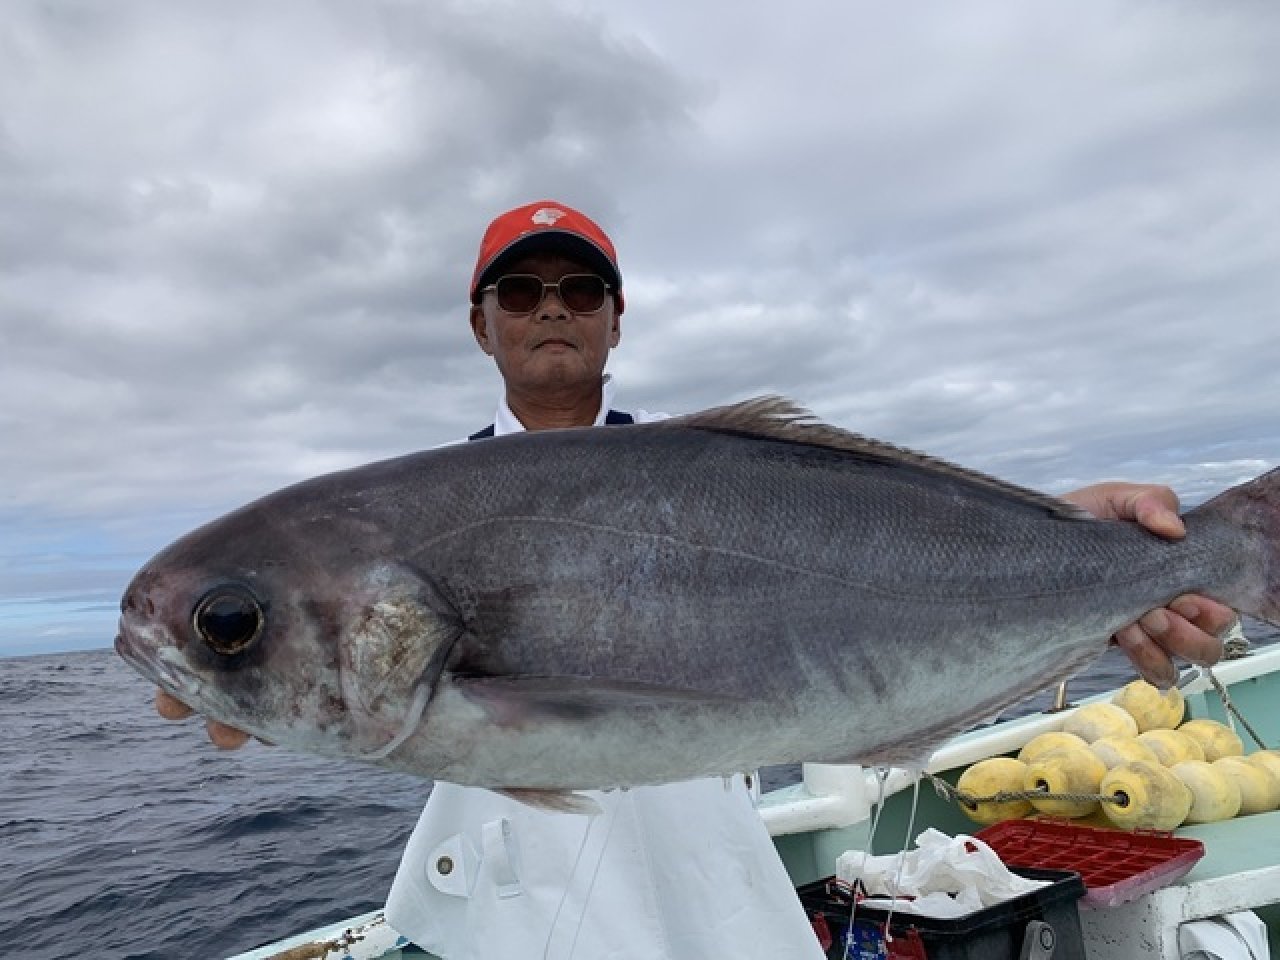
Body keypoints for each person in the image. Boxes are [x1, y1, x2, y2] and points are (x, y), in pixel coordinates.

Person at [155, 200, 1235, 958]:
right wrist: (243, 674)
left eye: (579, 287)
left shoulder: (726, 476)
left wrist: (1073, 548)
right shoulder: (400, 516)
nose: (550, 306)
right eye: (519, 289)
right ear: (480, 323)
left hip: (714, 873)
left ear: (614, 318)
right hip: (512, 892)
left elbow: (895, 550)